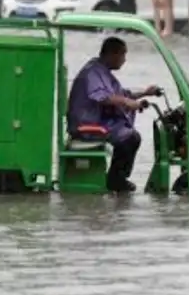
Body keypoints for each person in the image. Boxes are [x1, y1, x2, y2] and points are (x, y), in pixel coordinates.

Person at [67, 37, 161, 192]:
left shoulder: (102, 71)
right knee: (130, 138)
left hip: (97, 120)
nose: (124, 60)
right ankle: (116, 181)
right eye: (123, 54)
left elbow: (121, 94)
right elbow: (103, 97)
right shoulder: (93, 72)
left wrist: (145, 93)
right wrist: (127, 102)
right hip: (86, 124)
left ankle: (116, 178)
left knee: (131, 135)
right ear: (112, 54)